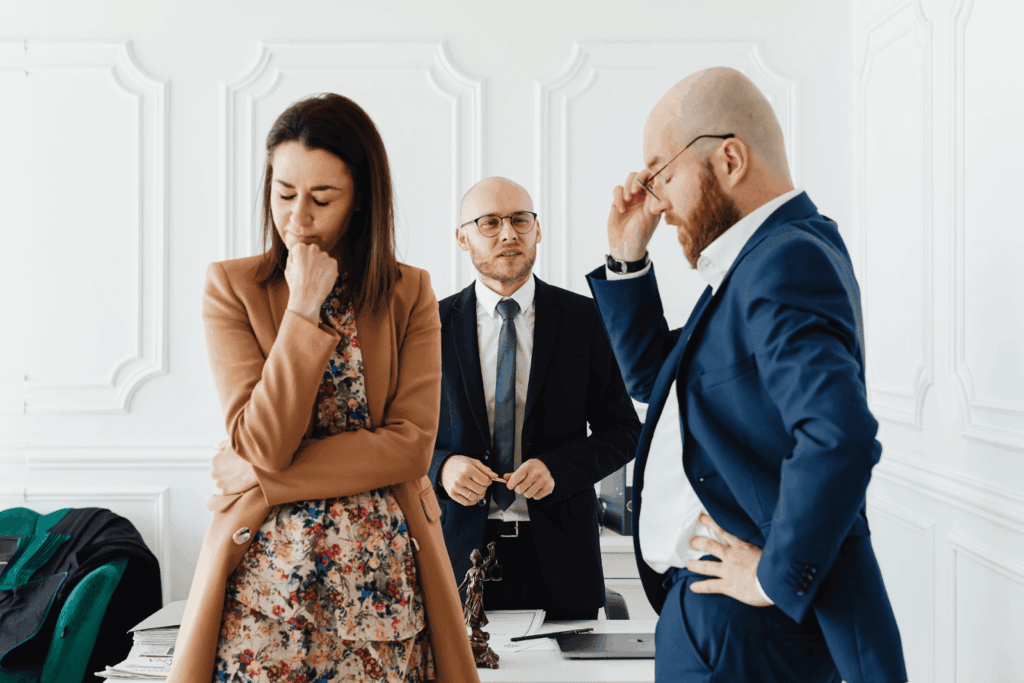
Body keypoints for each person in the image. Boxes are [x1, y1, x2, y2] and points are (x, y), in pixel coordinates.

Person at [586, 68, 908, 682]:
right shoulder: (765, 258)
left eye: (662, 173)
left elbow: (838, 435)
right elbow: (661, 385)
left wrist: (772, 576)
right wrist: (627, 259)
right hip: (725, 624)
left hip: (741, 632)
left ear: (729, 158)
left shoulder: (783, 261)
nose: (657, 200)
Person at [167, 94, 478, 683]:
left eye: (321, 199)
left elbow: (409, 448)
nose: (297, 219)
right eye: (284, 194)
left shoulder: (410, 292)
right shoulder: (232, 288)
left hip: (382, 594)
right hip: (266, 598)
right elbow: (264, 440)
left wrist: (261, 476)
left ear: (361, 199)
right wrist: (303, 309)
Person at [429, 177, 641, 621]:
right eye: (490, 222)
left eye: (520, 220)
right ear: (462, 237)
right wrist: (443, 467)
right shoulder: (428, 326)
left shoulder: (586, 319)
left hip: (564, 561)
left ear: (538, 230)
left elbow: (624, 433)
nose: (508, 234)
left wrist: (557, 469)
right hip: (454, 557)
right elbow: (397, 437)